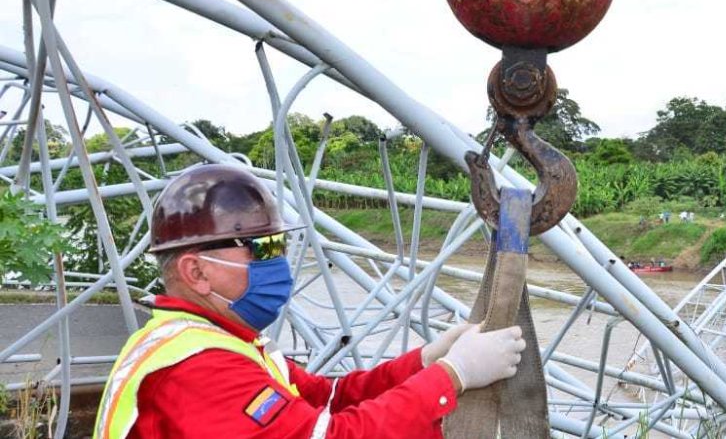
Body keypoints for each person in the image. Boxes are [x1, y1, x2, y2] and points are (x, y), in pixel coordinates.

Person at [93, 164, 525, 439]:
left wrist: (426, 362)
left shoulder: (225, 343)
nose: (278, 261)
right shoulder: (197, 368)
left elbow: (330, 397)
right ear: (196, 272)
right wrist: (454, 376)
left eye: (279, 243)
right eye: (260, 248)